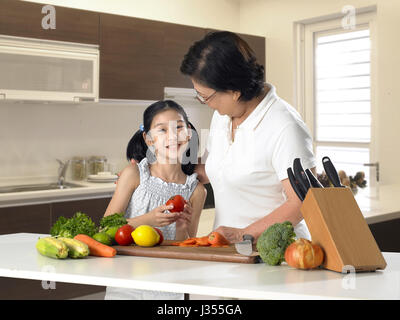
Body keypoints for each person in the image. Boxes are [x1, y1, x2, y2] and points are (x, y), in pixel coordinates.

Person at [180, 31, 317, 243]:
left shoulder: (285, 126)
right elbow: (215, 169)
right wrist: (157, 165)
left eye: (205, 97)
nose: (205, 102)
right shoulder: (222, 116)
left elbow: (304, 200)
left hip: (277, 254)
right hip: (228, 250)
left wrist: (242, 234)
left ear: (234, 91)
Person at [104, 100, 207, 300]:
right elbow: (105, 229)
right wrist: (148, 219)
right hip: (126, 280)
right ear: (149, 139)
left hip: (169, 286)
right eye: (162, 130)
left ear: (188, 134)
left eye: (178, 128)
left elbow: (186, 249)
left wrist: (180, 229)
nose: (173, 136)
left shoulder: (196, 190)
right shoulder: (134, 175)